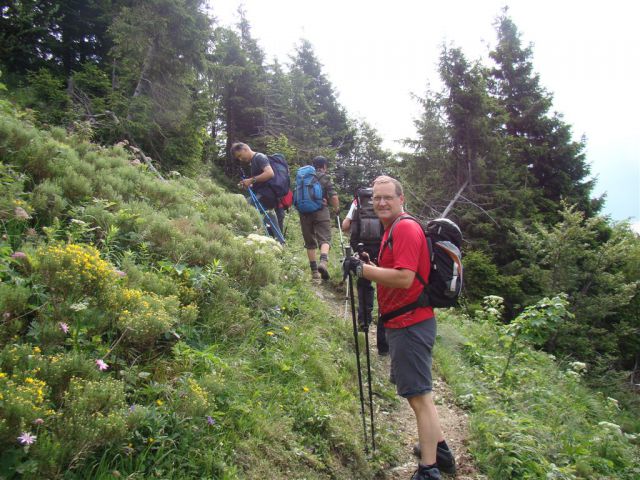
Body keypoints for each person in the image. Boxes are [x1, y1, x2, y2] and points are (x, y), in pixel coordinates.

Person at [343, 176, 455, 480]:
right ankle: (441, 450)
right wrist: (368, 261)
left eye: (387, 197)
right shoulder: (393, 227)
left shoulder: (404, 227)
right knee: (416, 394)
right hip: (403, 321)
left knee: (420, 397)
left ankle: (428, 469)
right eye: (376, 198)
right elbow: (397, 268)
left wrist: (362, 270)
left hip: (411, 323)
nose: (380, 203)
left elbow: (405, 278)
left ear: (401, 198)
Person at [342, 193, 388, 356]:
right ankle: (384, 344)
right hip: (383, 248)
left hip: (362, 249)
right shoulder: (386, 203)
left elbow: (345, 225)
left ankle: (364, 321)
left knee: (364, 284)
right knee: (386, 288)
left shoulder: (357, 202)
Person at [231, 142, 286, 235]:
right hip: (265, 194)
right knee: (269, 217)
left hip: (266, 195)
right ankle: (279, 241)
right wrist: (249, 183)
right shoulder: (254, 161)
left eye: (240, 155)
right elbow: (260, 181)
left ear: (245, 148)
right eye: (238, 158)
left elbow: (270, 173)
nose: (241, 159)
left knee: (243, 208)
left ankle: (242, 234)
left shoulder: (259, 157)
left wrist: (251, 180)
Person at [300, 155, 339, 280]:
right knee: (325, 238)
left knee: (309, 242)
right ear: (324, 166)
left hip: (304, 211)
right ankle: (323, 262)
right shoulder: (325, 177)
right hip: (321, 210)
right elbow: (333, 196)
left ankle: (314, 272)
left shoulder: (303, 177)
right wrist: (336, 208)